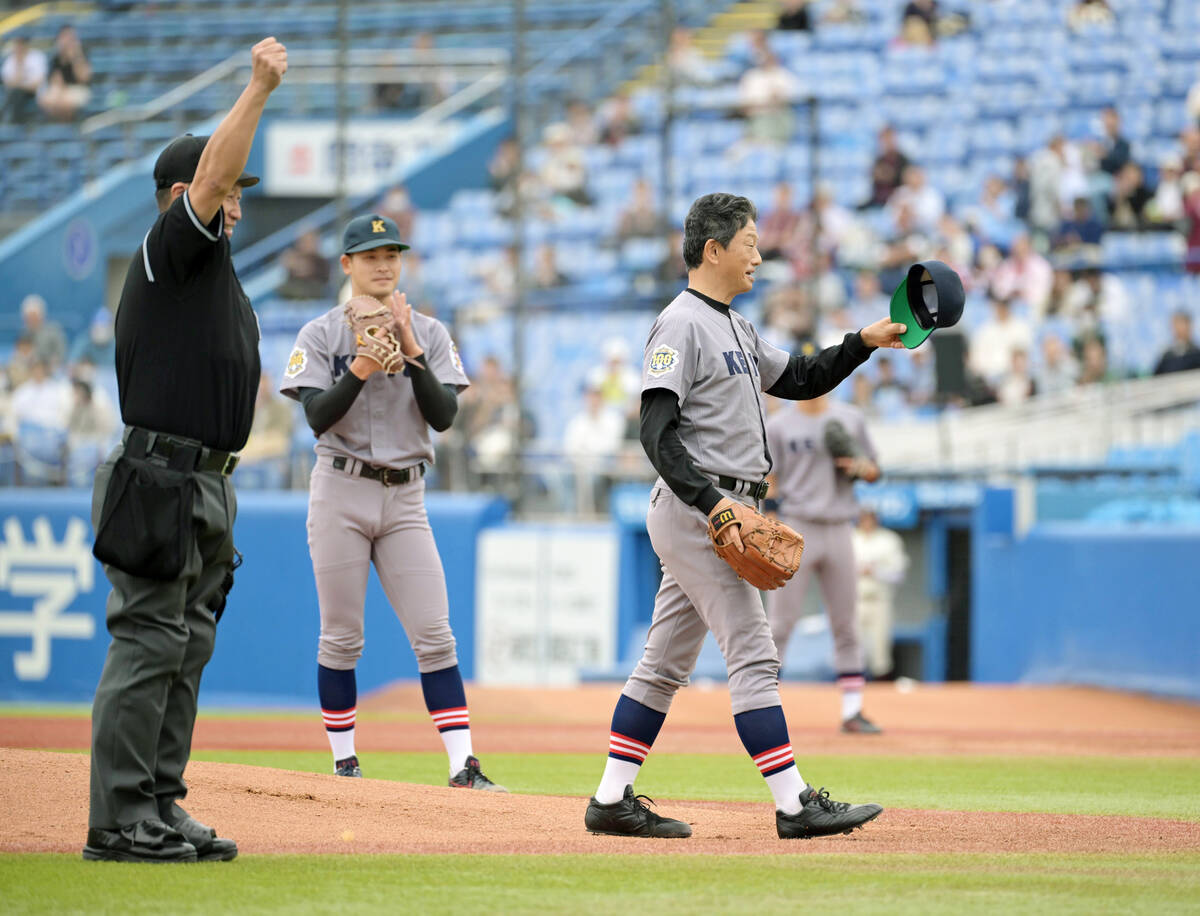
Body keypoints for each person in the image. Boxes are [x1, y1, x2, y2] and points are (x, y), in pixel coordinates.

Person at [582, 192, 900, 841]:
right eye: (750, 242)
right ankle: (794, 805)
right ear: (714, 249)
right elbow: (655, 433)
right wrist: (714, 504)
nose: (759, 254)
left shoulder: (737, 326)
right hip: (701, 509)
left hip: (723, 508)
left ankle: (610, 799)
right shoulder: (680, 323)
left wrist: (862, 342)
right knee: (754, 653)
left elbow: (802, 378)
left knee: (663, 665)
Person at [83, 37, 288, 865]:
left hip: (203, 480)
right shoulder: (173, 249)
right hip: (160, 475)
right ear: (185, 195)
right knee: (148, 643)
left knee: (186, 643)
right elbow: (208, 182)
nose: (236, 201)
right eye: (230, 188)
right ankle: (118, 818)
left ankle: (159, 804)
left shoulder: (212, 273)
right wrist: (258, 89)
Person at [278, 212, 504, 792]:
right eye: (371, 256)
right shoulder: (320, 334)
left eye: (392, 255)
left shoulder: (427, 330)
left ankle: (463, 766)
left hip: (405, 497)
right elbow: (316, 416)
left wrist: (409, 348)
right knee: (341, 636)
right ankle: (345, 764)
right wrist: (361, 365)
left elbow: (444, 416)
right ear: (347, 264)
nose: (383, 265)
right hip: (341, 489)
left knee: (435, 633)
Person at [764, 394, 883, 733]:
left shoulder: (850, 417)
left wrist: (861, 468)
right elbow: (769, 478)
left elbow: (875, 471)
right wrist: (771, 522)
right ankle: (763, 707)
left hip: (840, 524)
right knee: (780, 624)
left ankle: (852, 710)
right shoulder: (778, 424)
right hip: (796, 524)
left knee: (846, 623)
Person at [849, 507, 908, 679]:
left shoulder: (889, 540)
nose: (867, 522)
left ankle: (881, 687)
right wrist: (858, 570)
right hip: (855, 601)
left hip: (880, 600)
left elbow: (899, 575)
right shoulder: (849, 538)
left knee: (881, 649)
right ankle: (854, 686)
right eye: (864, 518)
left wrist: (875, 571)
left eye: (870, 518)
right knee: (852, 647)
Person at [39, 24, 91, 121]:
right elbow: (55, 80)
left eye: (70, 37)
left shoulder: (81, 53)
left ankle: (68, 125)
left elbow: (83, 78)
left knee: (66, 102)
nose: (67, 41)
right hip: (60, 89)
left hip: (78, 88)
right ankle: (58, 125)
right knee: (47, 99)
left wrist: (75, 57)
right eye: (64, 37)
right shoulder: (56, 58)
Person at [1, 33, 47, 124]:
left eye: (21, 43)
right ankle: (15, 121)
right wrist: (19, 65)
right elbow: (7, 84)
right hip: (16, 93)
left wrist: (19, 84)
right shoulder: (11, 59)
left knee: (16, 92)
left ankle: (8, 118)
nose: (19, 47)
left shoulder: (37, 57)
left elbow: (37, 84)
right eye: (17, 44)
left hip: (34, 93)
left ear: (26, 44)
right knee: (16, 93)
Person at [277, 230, 331, 300]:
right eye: (304, 241)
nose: (307, 244)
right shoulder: (293, 257)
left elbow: (324, 279)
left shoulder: (321, 261)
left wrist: (306, 269)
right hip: (294, 293)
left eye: (310, 240)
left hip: (315, 293)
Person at [20, 294, 67, 373]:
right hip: (30, 372)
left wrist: (52, 365)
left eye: (34, 316)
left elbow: (61, 353)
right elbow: (20, 355)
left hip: (51, 371)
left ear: (41, 315)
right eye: (28, 317)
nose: (31, 319)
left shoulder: (53, 331)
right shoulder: (24, 334)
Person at [1153, 310, 1200, 375]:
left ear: (1189, 326)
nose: (1178, 329)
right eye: (1176, 325)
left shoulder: (1196, 353)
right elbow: (1157, 377)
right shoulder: (1167, 356)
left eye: (1182, 324)